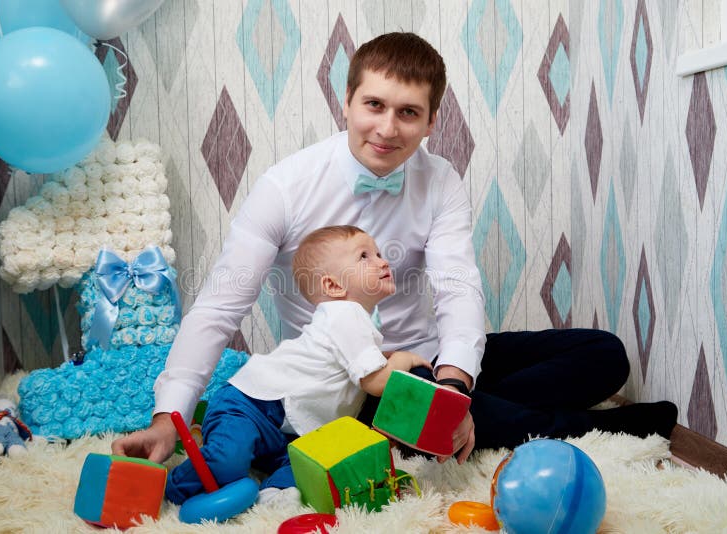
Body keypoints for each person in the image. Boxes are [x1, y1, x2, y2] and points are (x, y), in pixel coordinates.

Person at [113, 31, 676, 474]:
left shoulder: (441, 179)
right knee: (423, 426)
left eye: (408, 112)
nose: (386, 128)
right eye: (374, 105)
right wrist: (170, 418)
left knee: (604, 354)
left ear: (432, 121)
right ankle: (588, 426)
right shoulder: (286, 186)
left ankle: (480, 408)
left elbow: (458, 287)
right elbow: (219, 307)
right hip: (346, 382)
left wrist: (455, 386)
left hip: (424, 357)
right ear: (348, 102)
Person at [165, 225, 431, 504]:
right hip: (251, 406)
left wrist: (386, 356)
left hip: (291, 430)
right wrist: (404, 358)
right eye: (364, 256)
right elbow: (376, 383)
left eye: (378, 253)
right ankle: (171, 489)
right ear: (333, 286)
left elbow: (356, 360)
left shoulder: (351, 319)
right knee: (227, 460)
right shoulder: (345, 314)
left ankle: (275, 492)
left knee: (313, 466)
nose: (382, 261)